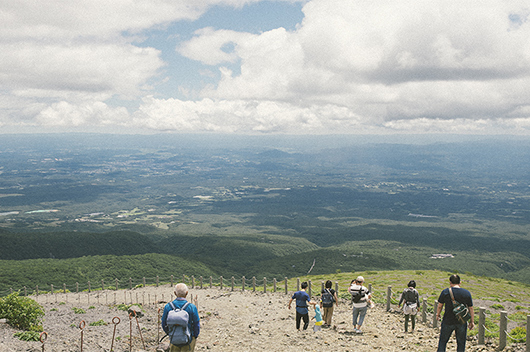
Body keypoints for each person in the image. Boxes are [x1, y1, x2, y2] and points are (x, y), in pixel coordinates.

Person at [436, 274, 475, 352]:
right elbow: (471, 308)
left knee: (443, 342)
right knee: (461, 343)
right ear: (460, 282)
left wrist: (438, 314)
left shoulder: (445, 292)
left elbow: (440, 305)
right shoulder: (466, 293)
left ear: (450, 282)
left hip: (448, 320)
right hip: (461, 321)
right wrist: (472, 321)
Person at [161, 283, 200, 352]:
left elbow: (164, 323)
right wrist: (194, 336)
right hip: (189, 339)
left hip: (174, 339)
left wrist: (170, 333)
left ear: (175, 293)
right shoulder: (191, 307)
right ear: (187, 293)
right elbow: (196, 324)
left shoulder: (168, 306)